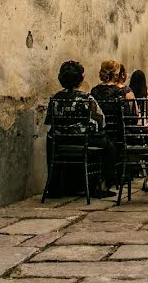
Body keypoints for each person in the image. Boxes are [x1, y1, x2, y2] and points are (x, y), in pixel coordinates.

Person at [45, 61, 116, 197]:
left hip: (60, 141)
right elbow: (100, 122)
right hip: (82, 140)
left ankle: (55, 186)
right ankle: (102, 185)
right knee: (109, 147)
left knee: (50, 139)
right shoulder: (85, 98)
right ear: (80, 80)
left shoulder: (55, 98)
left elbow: (49, 121)